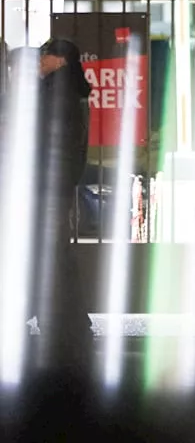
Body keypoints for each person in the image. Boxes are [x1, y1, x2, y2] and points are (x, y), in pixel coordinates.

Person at [32, 38, 94, 370]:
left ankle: (62, 322)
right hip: (59, 187)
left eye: (46, 55)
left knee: (52, 256)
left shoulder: (56, 96)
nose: (40, 60)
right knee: (57, 254)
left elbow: (44, 143)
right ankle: (68, 321)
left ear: (61, 61)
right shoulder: (74, 95)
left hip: (47, 187)